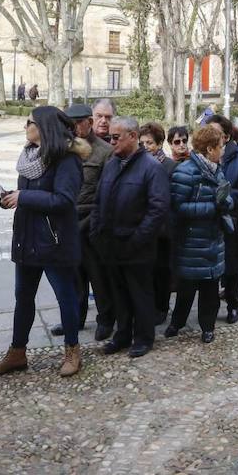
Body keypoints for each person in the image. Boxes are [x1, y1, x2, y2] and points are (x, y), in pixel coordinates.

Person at [0, 106, 89, 379]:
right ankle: (17, 352)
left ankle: (72, 350)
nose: (25, 127)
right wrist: (10, 198)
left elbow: (64, 200)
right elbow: (29, 194)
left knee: (65, 297)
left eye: (29, 122)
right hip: (27, 239)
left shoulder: (67, 160)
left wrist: (24, 197)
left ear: (43, 127)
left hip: (54, 241)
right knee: (23, 298)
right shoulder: (30, 156)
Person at [90, 117, 170, 358]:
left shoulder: (151, 167)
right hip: (110, 244)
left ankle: (144, 338)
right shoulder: (112, 163)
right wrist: (96, 231)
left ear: (133, 137)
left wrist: (137, 239)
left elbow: (157, 210)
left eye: (116, 137)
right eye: (111, 137)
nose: (111, 141)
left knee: (140, 294)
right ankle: (122, 334)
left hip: (137, 246)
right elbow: (99, 200)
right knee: (119, 294)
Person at [51, 104, 114, 342]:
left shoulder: (104, 151)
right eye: (69, 124)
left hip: (91, 224)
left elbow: (105, 193)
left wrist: (92, 222)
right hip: (68, 222)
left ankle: (105, 319)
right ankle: (75, 319)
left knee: (98, 277)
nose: (73, 128)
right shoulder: (63, 149)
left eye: (77, 123)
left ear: (89, 121)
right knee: (74, 278)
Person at [166, 125, 232, 343]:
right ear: (210, 148)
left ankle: (207, 327)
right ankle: (177, 323)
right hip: (191, 242)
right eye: (221, 146)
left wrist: (226, 203)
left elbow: (225, 196)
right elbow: (177, 207)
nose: (223, 150)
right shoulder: (184, 172)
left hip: (214, 240)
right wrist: (212, 208)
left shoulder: (217, 168)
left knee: (210, 290)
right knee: (186, 289)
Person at [207, 115, 238, 324]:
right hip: (209, 219)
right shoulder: (204, 155)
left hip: (231, 220)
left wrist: (226, 196)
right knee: (211, 268)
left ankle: (233, 305)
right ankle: (210, 307)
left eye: (215, 131)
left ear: (225, 136)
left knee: (232, 268)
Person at [140, 122, 177, 324]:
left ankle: (162, 307)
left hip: (163, 229)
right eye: (142, 142)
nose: (145, 146)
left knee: (162, 271)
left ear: (160, 143)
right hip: (145, 227)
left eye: (150, 143)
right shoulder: (140, 164)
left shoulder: (169, 166)